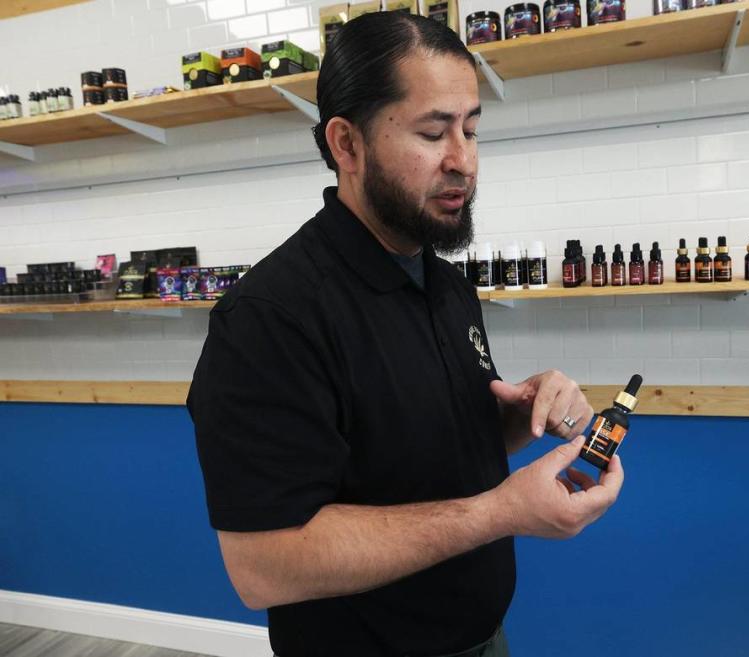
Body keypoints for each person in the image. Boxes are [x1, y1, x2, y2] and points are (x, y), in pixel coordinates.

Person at [188, 11, 624, 657]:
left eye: (472, 131)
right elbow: (262, 565)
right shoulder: (270, 319)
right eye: (433, 132)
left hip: (483, 636)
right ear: (348, 144)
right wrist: (502, 511)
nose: (463, 161)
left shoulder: (447, 288)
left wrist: (524, 413)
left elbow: (423, 445)